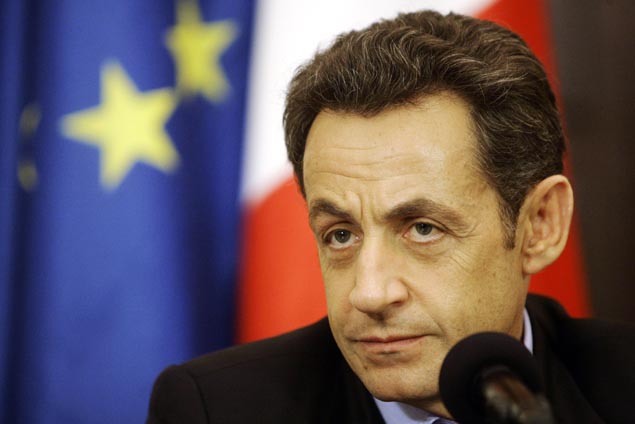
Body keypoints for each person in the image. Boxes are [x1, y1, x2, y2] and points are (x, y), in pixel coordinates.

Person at [146, 10, 635, 423]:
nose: (369, 293)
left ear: (540, 225)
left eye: (423, 229)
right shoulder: (217, 410)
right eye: (341, 235)